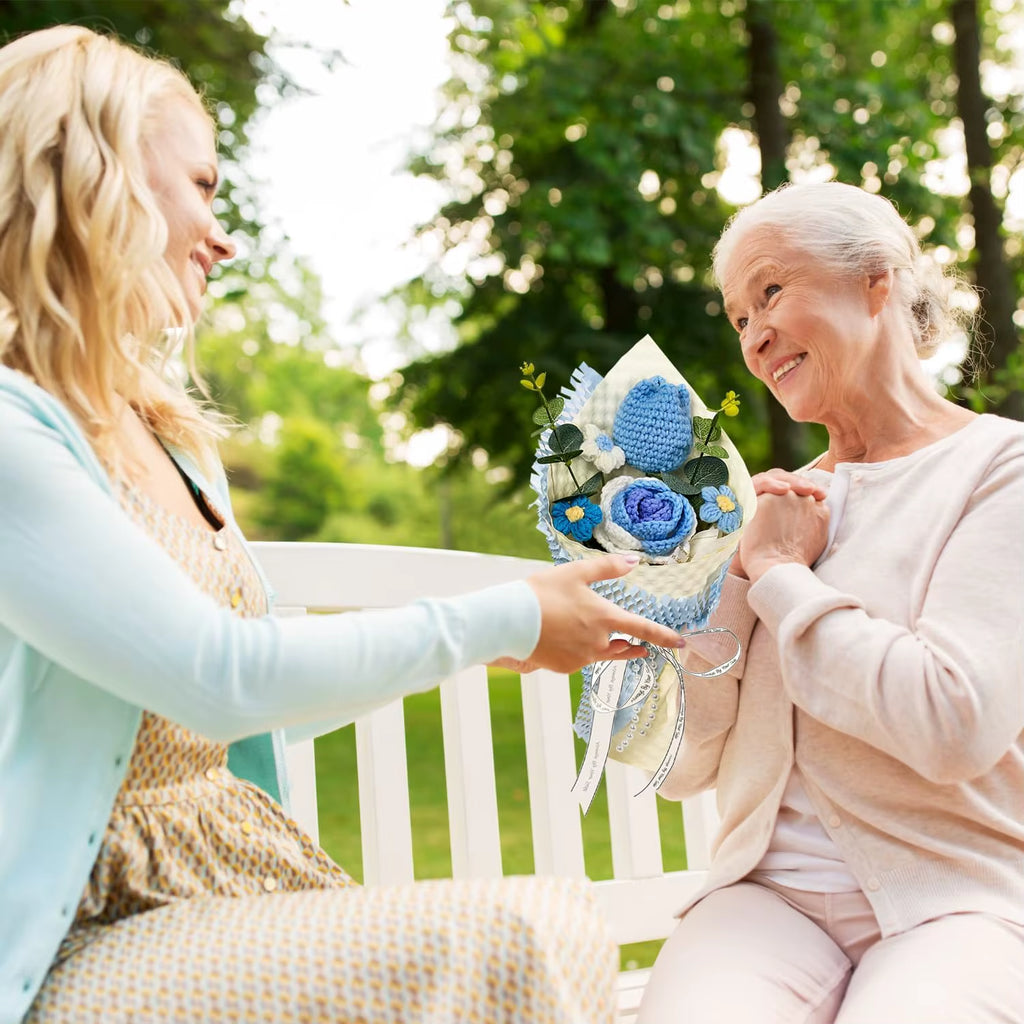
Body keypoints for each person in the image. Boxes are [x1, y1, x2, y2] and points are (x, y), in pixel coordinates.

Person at [0, 26, 690, 1024]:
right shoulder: (12, 433)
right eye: (201, 184)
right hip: (69, 943)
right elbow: (222, 675)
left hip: (207, 900)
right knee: (516, 938)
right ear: (96, 176)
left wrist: (480, 642)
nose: (223, 234)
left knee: (542, 929)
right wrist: (493, 619)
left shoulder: (161, 432)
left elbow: (249, 685)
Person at [633, 179, 1024, 1024]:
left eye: (771, 290)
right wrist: (728, 594)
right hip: (766, 901)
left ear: (876, 280)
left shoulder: (1000, 471)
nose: (756, 334)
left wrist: (783, 580)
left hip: (958, 896)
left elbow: (953, 721)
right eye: (738, 317)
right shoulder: (764, 510)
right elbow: (685, 768)